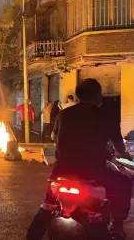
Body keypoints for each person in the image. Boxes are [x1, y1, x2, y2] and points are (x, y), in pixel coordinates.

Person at [26, 79, 132, 240]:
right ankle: (117, 225)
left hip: (62, 169)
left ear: (77, 96)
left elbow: (54, 136)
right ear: (98, 96)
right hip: (94, 170)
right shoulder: (106, 115)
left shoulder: (64, 114)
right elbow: (119, 146)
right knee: (124, 183)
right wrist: (124, 154)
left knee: (46, 207)